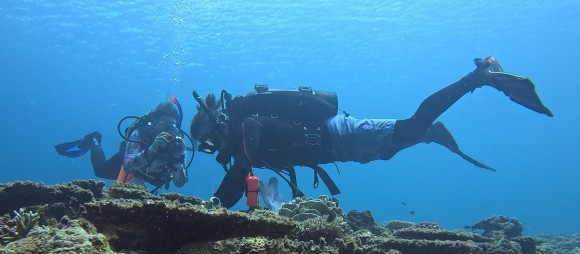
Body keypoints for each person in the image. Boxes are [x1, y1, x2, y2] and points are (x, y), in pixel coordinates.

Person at [190, 56, 553, 208]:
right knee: (387, 150)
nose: (212, 148)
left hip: (340, 133)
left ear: (217, 122)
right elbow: (244, 168)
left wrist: (215, 207)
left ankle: (478, 76)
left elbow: (244, 167)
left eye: (209, 140)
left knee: (411, 124)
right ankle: (431, 134)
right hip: (338, 148)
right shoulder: (245, 137)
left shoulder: (250, 125)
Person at [55, 102, 189, 189]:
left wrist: (178, 163)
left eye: (171, 127)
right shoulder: (141, 134)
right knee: (100, 170)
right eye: (163, 126)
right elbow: (128, 167)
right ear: (154, 125)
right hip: (134, 163)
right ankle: (94, 141)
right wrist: (151, 149)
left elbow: (179, 184)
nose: (167, 131)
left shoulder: (178, 144)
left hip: (154, 178)